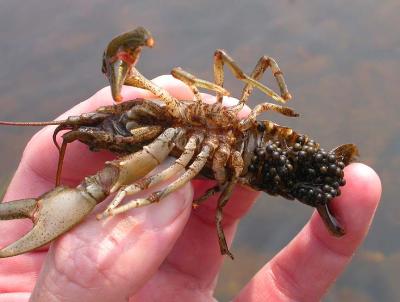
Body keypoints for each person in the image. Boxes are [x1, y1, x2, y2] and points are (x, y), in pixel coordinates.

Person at [0, 76, 381, 301]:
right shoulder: (160, 131)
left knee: (135, 189)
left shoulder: (163, 110)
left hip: (257, 149)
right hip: (240, 159)